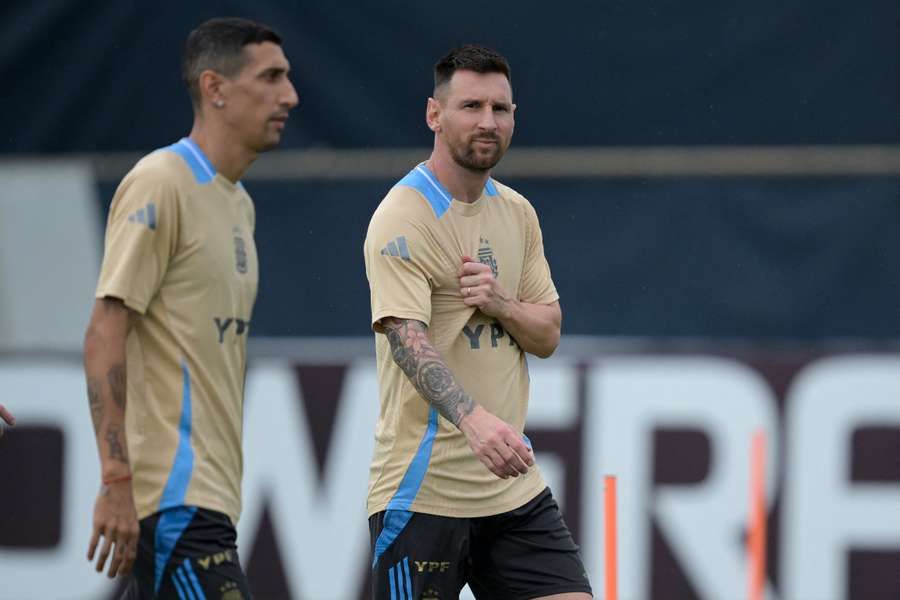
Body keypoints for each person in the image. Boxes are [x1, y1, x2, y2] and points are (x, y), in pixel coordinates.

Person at [363, 44, 592, 599]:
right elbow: (406, 340)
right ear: (434, 115)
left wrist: (502, 304)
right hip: (425, 495)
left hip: (513, 493)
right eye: (471, 107)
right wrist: (474, 421)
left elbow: (548, 334)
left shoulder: (516, 212)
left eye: (501, 109)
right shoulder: (404, 216)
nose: (488, 122)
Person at [83, 17, 298, 598]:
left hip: (210, 500)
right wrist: (117, 479)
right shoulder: (161, 182)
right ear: (215, 87)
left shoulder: (238, 204)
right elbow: (104, 332)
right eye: (272, 77)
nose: (290, 96)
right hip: (174, 499)